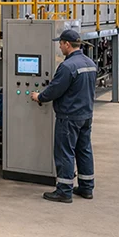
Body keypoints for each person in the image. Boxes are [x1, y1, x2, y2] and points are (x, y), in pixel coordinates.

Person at [30, 29, 96, 203]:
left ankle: (64, 191)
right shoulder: (90, 63)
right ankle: (86, 187)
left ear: (67, 44)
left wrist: (39, 97)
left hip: (69, 117)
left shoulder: (67, 67)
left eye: (60, 43)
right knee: (84, 150)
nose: (59, 47)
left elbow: (55, 89)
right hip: (86, 114)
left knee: (65, 153)